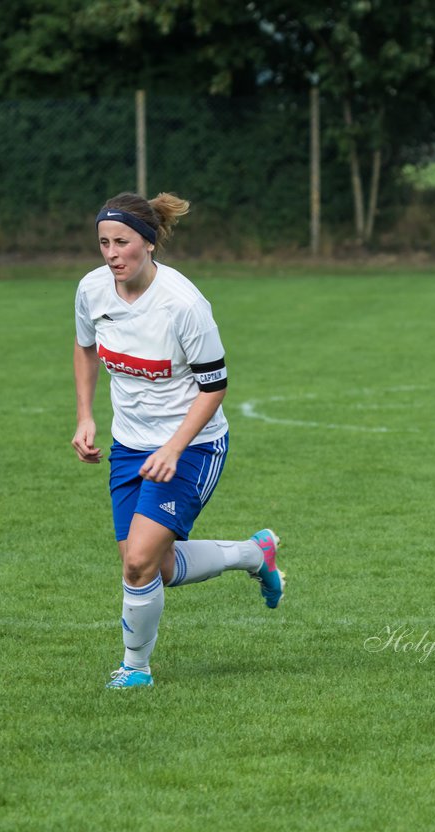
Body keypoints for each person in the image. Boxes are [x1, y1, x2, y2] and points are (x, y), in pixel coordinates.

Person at [72, 191, 285, 689]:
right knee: (151, 566)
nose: (111, 253)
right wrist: (86, 416)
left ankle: (135, 669)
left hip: (193, 445)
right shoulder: (92, 290)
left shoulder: (184, 305)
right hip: (129, 445)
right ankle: (255, 554)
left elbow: (214, 387)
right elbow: (85, 348)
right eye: (103, 242)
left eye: (121, 242)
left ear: (148, 244)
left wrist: (172, 448)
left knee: (141, 560)